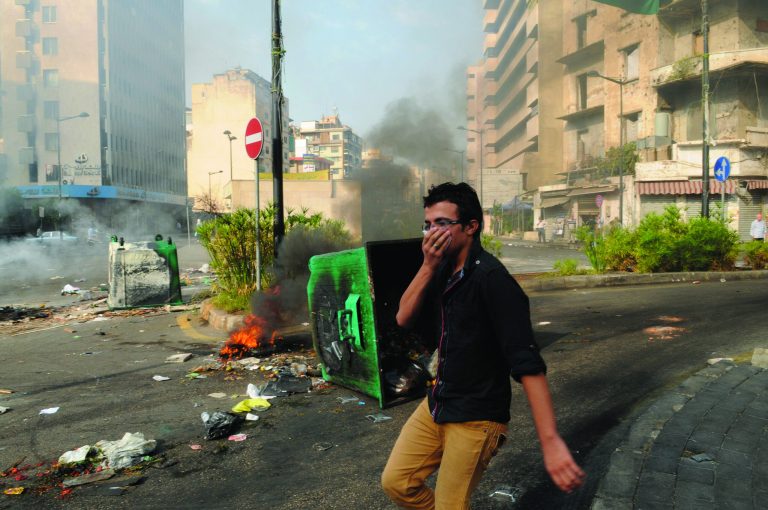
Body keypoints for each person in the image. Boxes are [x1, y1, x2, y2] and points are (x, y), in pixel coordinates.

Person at [381, 182, 584, 509]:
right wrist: (428, 266)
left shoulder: (493, 281)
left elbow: (528, 365)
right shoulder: (441, 269)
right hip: (438, 403)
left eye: (442, 224)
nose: (432, 232)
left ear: (471, 227)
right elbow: (403, 317)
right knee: (397, 482)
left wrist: (550, 442)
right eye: (428, 224)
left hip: (477, 418)